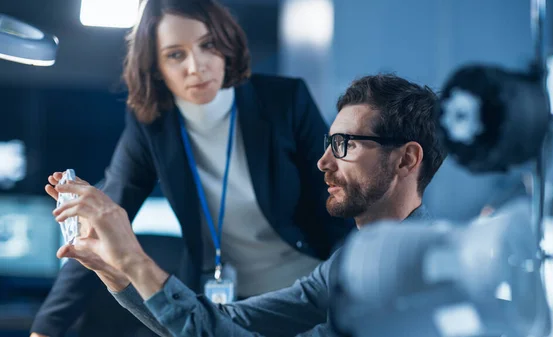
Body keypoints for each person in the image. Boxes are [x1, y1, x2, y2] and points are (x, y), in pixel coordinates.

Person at [30, 0, 353, 336]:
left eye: (208, 45)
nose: (196, 66)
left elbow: (338, 203)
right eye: (175, 54)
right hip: (224, 303)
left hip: (310, 293)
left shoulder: (285, 101)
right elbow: (104, 219)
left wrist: (352, 288)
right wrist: (46, 328)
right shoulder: (152, 126)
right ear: (156, 67)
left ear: (227, 47)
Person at [46, 73, 447, 336]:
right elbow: (221, 322)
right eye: (329, 144)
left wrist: (133, 258)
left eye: (345, 145)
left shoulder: (412, 271)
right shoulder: (350, 263)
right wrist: (113, 270)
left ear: (407, 159)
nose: (323, 162)